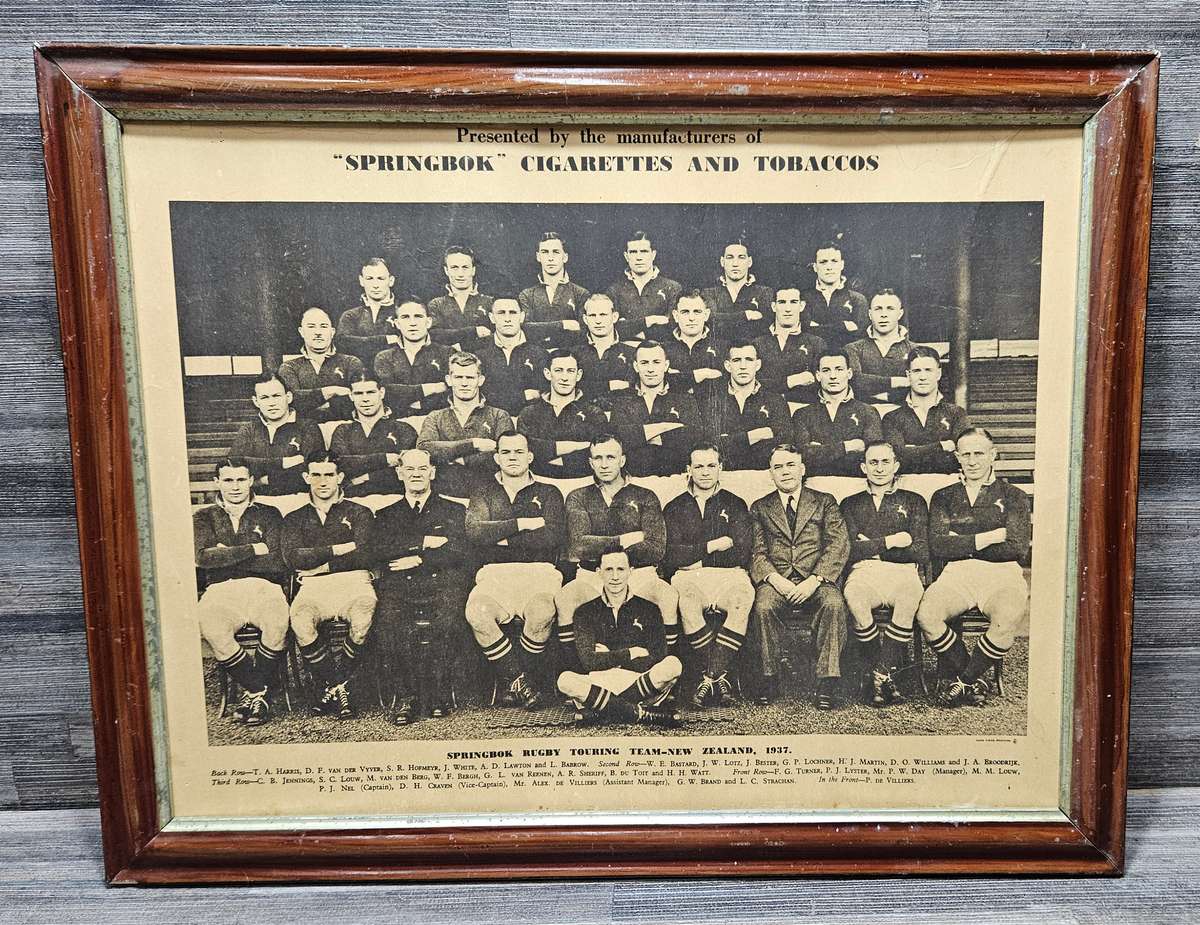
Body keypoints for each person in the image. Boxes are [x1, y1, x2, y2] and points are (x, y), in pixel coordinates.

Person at [916, 428, 1031, 707]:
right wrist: (992, 536)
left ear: (993, 455)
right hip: (959, 571)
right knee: (927, 616)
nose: (972, 460)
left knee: (1007, 618)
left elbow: (1017, 548)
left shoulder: (1014, 495)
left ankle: (964, 681)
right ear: (957, 457)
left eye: (979, 453)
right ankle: (973, 678)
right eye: (965, 454)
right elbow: (939, 546)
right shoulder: (943, 496)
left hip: (1002, 572)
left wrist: (961, 539)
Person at [556, 434, 679, 668]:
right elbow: (579, 545)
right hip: (593, 574)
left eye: (610, 457)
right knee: (565, 598)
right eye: (598, 458)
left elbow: (656, 548)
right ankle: (576, 675)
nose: (604, 464)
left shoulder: (645, 496)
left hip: (639, 574)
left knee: (667, 596)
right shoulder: (578, 497)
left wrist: (600, 544)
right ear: (590, 462)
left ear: (622, 460)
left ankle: (664, 677)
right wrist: (626, 539)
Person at [465, 432, 567, 708]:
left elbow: (553, 536)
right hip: (494, 572)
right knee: (478, 614)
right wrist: (522, 524)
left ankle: (518, 684)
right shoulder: (483, 492)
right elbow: (475, 533)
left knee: (542, 613)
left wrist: (500, 536)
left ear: (530, 456)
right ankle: (522, 682)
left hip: (540, 571)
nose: (512, 458)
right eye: (506, 452)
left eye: (519, 452)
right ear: (497, 458)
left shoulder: (549, 492)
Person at [748, 444, 851, 709]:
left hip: (817, 580)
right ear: (770, 473)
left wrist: (815, 579)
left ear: (802, 469)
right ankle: (769, 677)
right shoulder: (760, 507)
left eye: (790, 465)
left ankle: (826, 681)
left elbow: (838, 544)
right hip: (777, 579)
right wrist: (775, 579)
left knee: (834, 604)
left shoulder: (825, 501)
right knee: (763, 606)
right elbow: (757, 553)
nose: (785, 472)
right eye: (778, 467)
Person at [370, 448, 468, 723]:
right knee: (388, 623)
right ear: (399, 473)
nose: (416, 474)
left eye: (422, 469)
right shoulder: (386, 514)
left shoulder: (454, 510)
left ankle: (438, 692)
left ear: (432, 472)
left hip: (442, 580)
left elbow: (459, 551)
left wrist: (418, 559)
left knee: (448, 620)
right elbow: (378, 550)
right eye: (409, 469)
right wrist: (424, 542)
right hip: (400, 584)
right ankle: (407, 696)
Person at [194, 458, 289, 726]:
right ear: (217, 483)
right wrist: (252, 548)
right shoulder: (204, 517)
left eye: (240, 480)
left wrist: (225, 552)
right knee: (211, 625)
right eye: (228, 480)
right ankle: (260, 691)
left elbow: (277, 560)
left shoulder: (270, 514)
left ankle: (253, 694)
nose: (235, 486)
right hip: (220, 590)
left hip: (264, 586)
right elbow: (202, 558)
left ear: (250, 481)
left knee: (278, 621)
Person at [281, 453, 377, 720]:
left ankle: (332, 688)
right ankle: (340, 685)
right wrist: (341, 548)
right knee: (300, 621)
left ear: (340, 477)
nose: (323, 481)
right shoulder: (294, 518)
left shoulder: (359, 512)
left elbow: (366, 554)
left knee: (362, 620)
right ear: (306, 478)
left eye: (329, 475)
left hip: (354, 581)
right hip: (312, 586)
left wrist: (321, 564)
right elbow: (293, 557)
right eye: (316, 475)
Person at [839, 440, 929, 707]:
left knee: (910, 596)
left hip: (903, 571)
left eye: (885, 462)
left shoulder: (914, 501)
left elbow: (921, 550)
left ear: (896, 465)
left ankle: (878, 675)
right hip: (864, 571)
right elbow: (850, 549)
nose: (879, 468)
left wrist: (872, 545)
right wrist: (893, 540)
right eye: (873, 462)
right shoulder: (850, 504)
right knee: (855, 596)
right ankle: (885, 675)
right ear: (863, 467)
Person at [663, 444, 754, 708]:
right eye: (699, 466)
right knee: (688, 602)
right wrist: (712, 546)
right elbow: (670, 556)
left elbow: (741, 552)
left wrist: (694, 556)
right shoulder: (675, 507)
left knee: (740, 600)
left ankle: (708, 676)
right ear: (688, 470)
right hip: (689, 577)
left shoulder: (735, 504)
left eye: (711, 465)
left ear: (720, 468)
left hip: (730, 575)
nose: (705, 472)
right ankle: (720, 676)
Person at [556, 548, 683, 728]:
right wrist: (631, 652)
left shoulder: (649, 609)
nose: (615, 577)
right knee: (565, 680)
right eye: (609, 570)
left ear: (631, 571)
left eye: (620, 569)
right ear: (598, 572)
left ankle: (604, 711)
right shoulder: (585, 612)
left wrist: (610, 656)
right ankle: (640, 713)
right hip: (600, 682)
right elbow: (587, 662)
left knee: (673, 664)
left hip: (638, 681)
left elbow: (658, 656)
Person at [416, 351, 514, 499]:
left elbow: (506, 454)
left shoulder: (499, 415)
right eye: (458, 377)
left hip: (489, 496)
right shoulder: (435, 417)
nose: (464, 383)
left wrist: (458, 458)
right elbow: (424, 449)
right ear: (449, 380)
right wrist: (474, 444)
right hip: (443, 496)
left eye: (470, 377)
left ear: (480, 380)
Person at [608, 340, 703, 477]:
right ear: (636, 366)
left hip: (676, 479)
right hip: (633, 480)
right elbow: (617, 440)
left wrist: (640, 435)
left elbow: (694, 439)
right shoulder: (622, 400)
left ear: (666, 365)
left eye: (656, 362)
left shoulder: (685, 399)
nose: (650, 369)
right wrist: (664, 429)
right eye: (644, 363)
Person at [699, 340, 792, 472]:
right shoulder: (712, 403)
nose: (743, 366)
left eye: (749, 360)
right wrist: (755, 435)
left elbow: (784, 443)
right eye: (737, 360)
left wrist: (731, 441)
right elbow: (711, 446)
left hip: (765, 475)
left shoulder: (775, 400)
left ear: (758, 364)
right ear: (727, 365)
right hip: (725, 475)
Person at [516, 349, 609, 479]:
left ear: (579, 375)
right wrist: (576, 446)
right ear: (548, 373)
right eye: (558, 370)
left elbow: (600, 452)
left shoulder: (593, 413)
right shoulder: (529, 412)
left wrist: (559, 459)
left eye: (570, 371)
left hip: (583, 482)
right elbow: (522, 449)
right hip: (537, 482)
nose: (564, 378)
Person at [791, 350, 884, 476]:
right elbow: (803, 456)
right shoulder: (802, 414)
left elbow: (873, 456)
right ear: (818, 375)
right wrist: (847, 446)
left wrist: (820, 450)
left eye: (839, 369)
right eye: (826, 370)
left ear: (849, 373)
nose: (833, 376)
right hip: (815, 483)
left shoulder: (868, 411)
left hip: (857, 483)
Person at [228, 374, 323, 495]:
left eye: (276, 396)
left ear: (288, 397)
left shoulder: (308, 427)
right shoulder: (248, 430)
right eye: (264, 398)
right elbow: (235, 464)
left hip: (298, 499)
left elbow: (313, 471)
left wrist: (263, 480)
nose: (271, 403)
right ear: (256, 401)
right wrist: (282, 462)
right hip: (257, 501)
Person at [882, 345, 970, 474]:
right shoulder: (892, 418)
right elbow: (897, 456)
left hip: (948, 481)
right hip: (905, 484)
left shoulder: (956, 413)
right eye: (917, 371)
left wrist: (914, 451)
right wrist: (941, 446)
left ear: (938, 373)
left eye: (928, 370)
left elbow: (963, 455)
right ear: (908, 375)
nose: (922, 377)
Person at [328, 373, 417, 496]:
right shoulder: (343, 430)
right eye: (358, 393)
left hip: (394, 498)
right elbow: (339, 464)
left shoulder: (403, 429)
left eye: (370, 392)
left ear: (382, 393)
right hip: (352, 499)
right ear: (351, 396)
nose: (365, 399)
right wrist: (384, 459)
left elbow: (409, 469)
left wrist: (365, 477)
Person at [277, 307, 365, 423]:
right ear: (301, 332)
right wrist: (331, 391)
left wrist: (311, 401)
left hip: (344, 429)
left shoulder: (351, 363)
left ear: (332, 332)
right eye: (311, 327)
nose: (318, 332)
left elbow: (358, 400)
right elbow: (293, 400)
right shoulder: (289, 367)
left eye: (323, 326)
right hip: (303, 432)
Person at [371, 298, 453, 416]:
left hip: (438, 420)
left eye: (418, 316)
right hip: (396, 421)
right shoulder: (384, 357)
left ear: (429, 322)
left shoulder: (447, 353)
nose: (412, 323)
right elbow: (387, 392)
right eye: (405, 317)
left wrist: (422, 404)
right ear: (397, 323)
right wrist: (429, 388)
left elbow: (453, 391)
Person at [752, 287, 828, 405]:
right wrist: (792, 381)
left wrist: (777, 388)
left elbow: (819, 385)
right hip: (766, 409)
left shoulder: (816, 343)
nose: (788, 309)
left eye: (793, 302)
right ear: (773, 306)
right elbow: (753, 383)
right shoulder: (757, 343)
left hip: (804, 410)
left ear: (801, 306)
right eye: (782, 302)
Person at [474, 297, 550, 415]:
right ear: (491, 317)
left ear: (522, 316)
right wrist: (523, 396)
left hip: (529, 421)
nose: (507, 319)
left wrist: (500, 397)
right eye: (501, 313)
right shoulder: (477, 351)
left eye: (513, 313)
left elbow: (540, 396)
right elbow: (480, 395)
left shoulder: (540, 353)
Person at [845, 288, 918, 403]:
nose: (883, 315)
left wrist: (883, 395)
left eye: (890, 309)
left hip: (903, 414)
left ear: (900, 313)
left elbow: (920, 385)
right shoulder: (853, 348)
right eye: (878, 309)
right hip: (864, 416)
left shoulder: (915, 350)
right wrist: (897, 381)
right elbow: (856, 380)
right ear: (870, 314)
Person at [517, 232, 589, 347]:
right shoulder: (527, 295)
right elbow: (525, 329)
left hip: (568, 358)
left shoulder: (580, 293)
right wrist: (563, 325)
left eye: (556, 252)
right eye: (545, 252)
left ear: (565, 257)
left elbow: (583, 332)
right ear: (538, 257)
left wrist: (542, 328)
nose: (550, 258)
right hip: (538, 357)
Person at [605, 231, 681, 336]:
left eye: (644, 251)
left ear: (653, 255)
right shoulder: (614, 291)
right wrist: (649, 321)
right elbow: (610, 329)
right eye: (633, 252)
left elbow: (673, 327)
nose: (639, 257)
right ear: (626, 256)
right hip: (625, 351)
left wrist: (630, 327)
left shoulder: (672, 288)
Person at [799, 240, 869, 351]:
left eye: (834, 261)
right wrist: (844, 326)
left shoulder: (857, 299)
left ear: (842, 265)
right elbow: (804, 332)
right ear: (815, 267)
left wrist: (818, 327)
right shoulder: (802, 298)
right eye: (823, 262)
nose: (829, 267)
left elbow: (860, 337)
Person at [575, 293, 638, 411]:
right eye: (592, 315)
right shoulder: (574, 354)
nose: (598, 321)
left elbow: (634, 389)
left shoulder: (632, 353)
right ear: (585, 319)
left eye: (603, 314)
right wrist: (608, 385)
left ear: (614, 317)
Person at [701, 239, 774, 336]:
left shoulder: (764, 292)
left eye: (741, 257)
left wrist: (725, 318)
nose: (735, 263)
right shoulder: (709, 293)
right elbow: (711, 320)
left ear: (749, 261)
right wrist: (746, 315)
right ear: (722, 262)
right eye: (730, 257)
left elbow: (765, 325)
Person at [337, 257, 402, 365]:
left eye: (380, 278)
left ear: (391, 281)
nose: (375, 285)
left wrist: (363, 343)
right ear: (361, 281)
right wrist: (387, 339)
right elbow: (343, 343)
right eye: (369, 278)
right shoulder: (351, 315)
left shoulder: (403, 312)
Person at [427, 246, 495, 348]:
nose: (460, 274)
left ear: (473, 270)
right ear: (446, 270)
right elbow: (434, 335)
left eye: (465, 267)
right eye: (454, 268)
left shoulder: (489, 302)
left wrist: (454, 337)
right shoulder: (436, 304)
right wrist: (473, 331)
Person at [663, 289, 729, 394]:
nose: (691, 318)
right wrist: (702, 374)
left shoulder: (722, 347)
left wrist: (681, 378)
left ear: (706, 315)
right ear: (675, 316)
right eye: (685, 312)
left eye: (697, 312)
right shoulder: (663, 349)